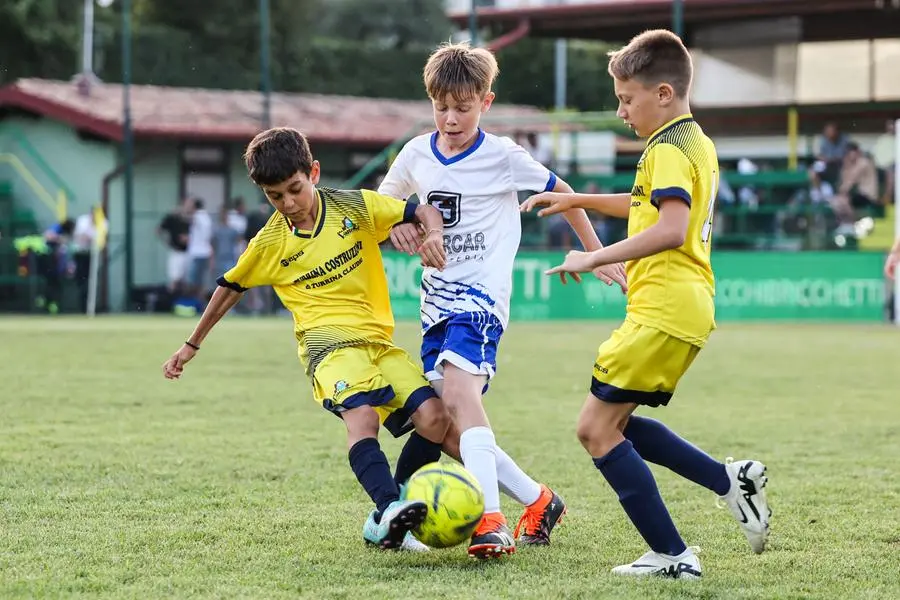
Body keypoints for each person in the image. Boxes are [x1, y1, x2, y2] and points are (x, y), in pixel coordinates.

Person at [521, 30, 771, 579]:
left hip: (664, 308)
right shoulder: (692, 141)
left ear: (662, 92)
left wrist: (594, 257)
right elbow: (646, 205)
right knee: (620, 424)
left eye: (626, 98)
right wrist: (580, 198)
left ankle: (674, 556)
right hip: (680, 306)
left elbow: (673, 228)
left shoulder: (665, 148)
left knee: (595, 429)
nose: (621, 110)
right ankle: (730, 481)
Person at [379, 41, 628, 558]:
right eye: (441, 106)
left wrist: (598, 254)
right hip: (434, 305)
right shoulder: (415, 154)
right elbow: (383, 208)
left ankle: (489, 522)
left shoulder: (502, 155)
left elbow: (564, 195)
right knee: (448, 423)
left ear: (485, 103)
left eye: (463, 108)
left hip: (481, 299)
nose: (451, 118)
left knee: (458, 397)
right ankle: (539, 500)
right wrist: (399, 224)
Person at [162, 127, 450, 551]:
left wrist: (433, 233)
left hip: (377, 343)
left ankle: (388, 518)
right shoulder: (270, 242)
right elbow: (230, 286)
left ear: (313, 172)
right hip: (326, 348)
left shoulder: (355, 206)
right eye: (274, 196)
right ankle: (390, 508)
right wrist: (191, 344)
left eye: (295, 189)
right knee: (363, 417)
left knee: (436, 419)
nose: (288, 203)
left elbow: (422, 211)